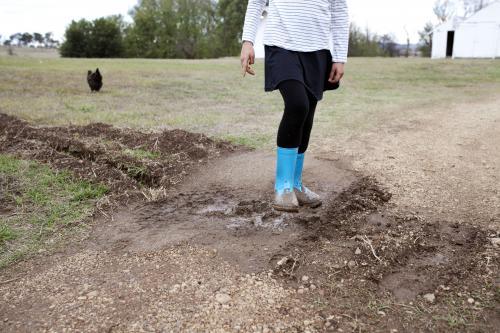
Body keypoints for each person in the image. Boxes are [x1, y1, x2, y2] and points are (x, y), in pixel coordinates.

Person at [240, 0, 349, 212]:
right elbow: (256, 2)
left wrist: (340, 57)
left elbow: (339, 11)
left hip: (317, 49)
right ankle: (283, 187)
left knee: (307, 113)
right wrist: (248, 41)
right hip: (281, 45)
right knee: (297, 105)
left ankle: (296, 185)